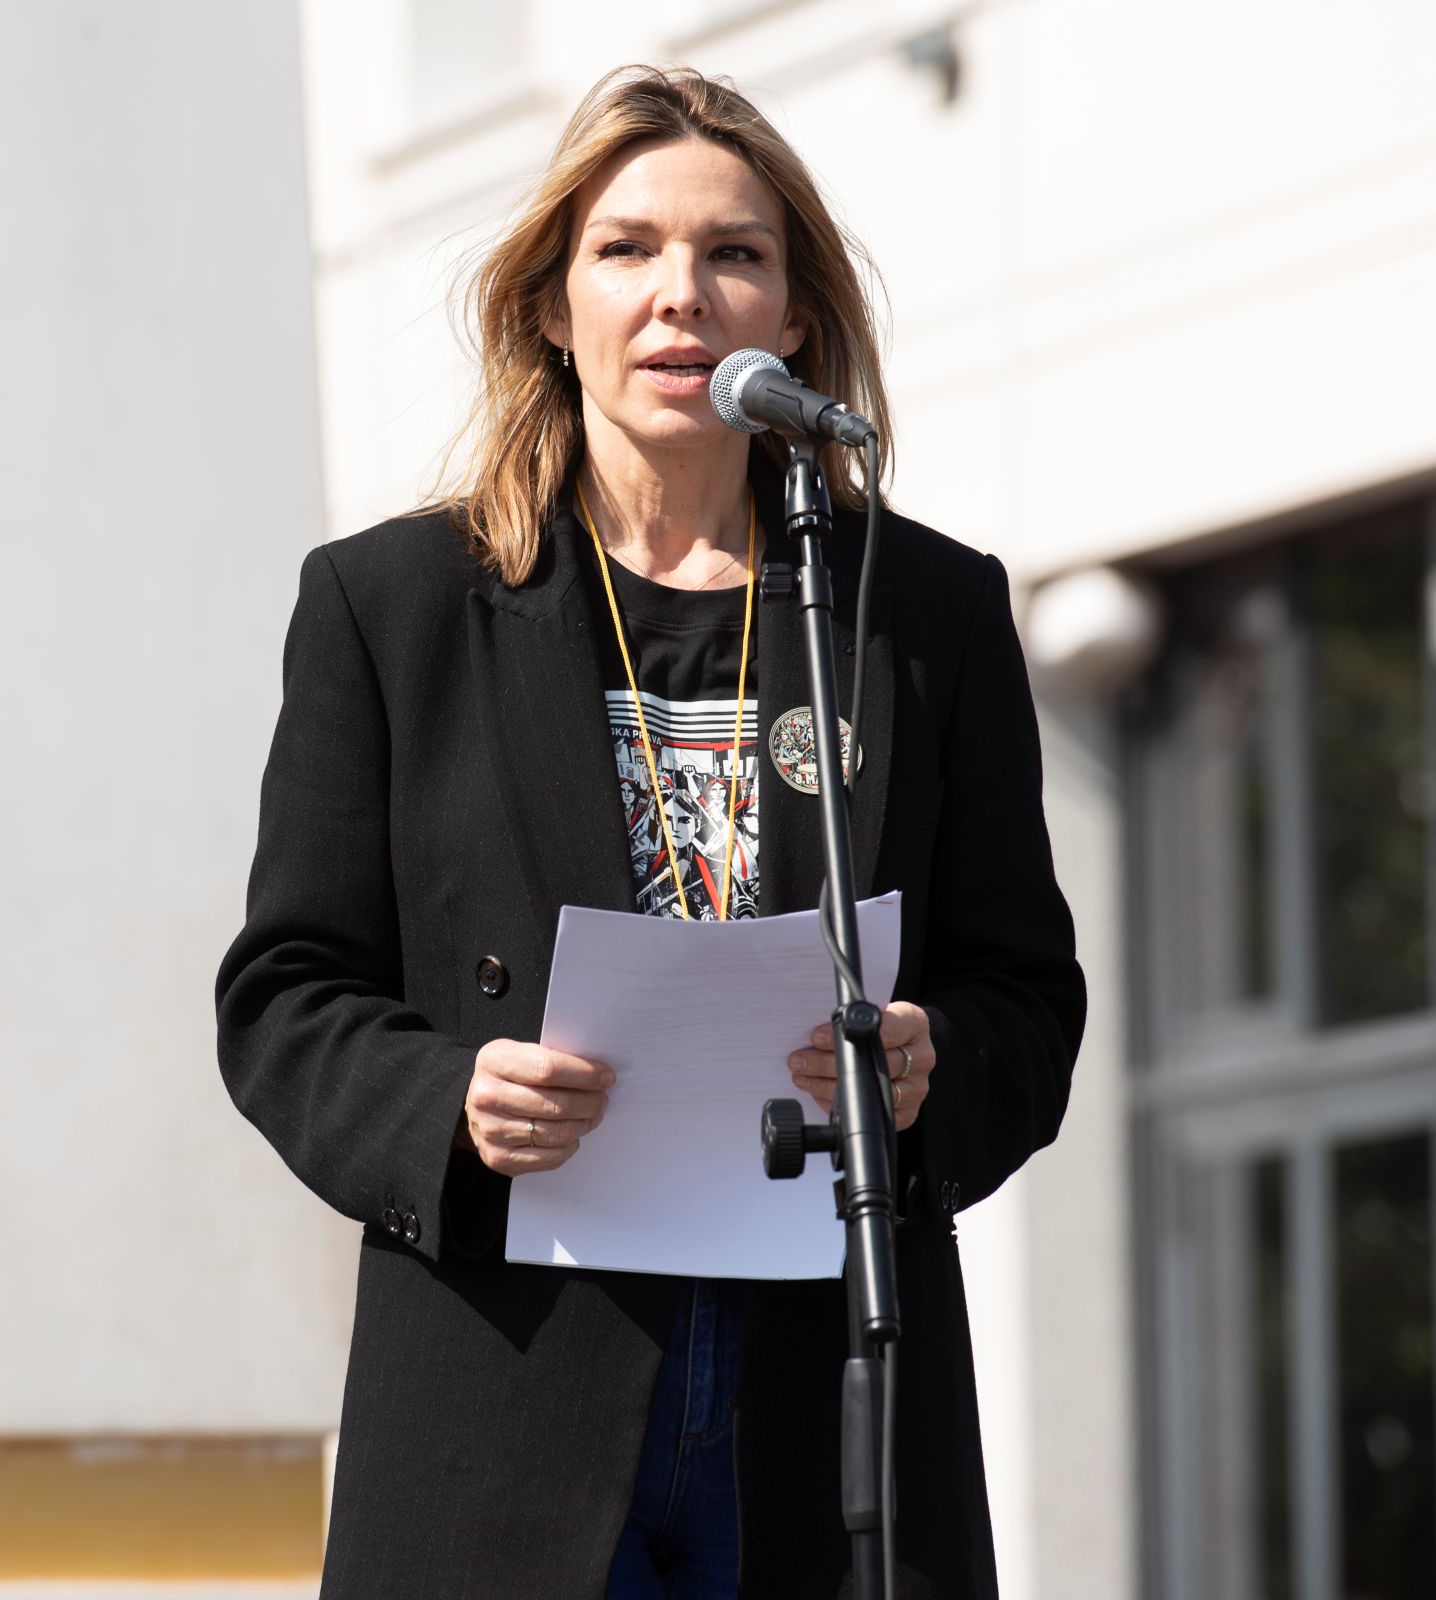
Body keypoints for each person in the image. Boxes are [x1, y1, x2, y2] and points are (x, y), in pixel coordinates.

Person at [215, 65, 1084, 1600]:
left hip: (821, 1390)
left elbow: (1028, 995)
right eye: (626, 250)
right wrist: (448, 1101)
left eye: (733, 253)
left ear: (795, 318)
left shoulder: (919, 613)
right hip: (511, 1393)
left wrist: (928, 1064)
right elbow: (284, 998)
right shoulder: (393, 608)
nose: (681, 293)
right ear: (554, 306)